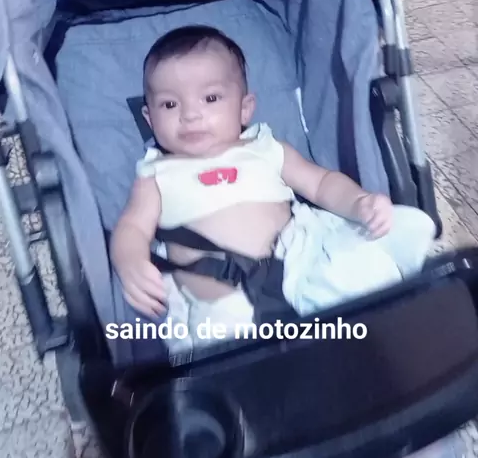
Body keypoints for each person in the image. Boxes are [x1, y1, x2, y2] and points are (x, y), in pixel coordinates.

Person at [110, 25, 435, 343]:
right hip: (224, 302)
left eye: (210, 98)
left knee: (363, 263)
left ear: (244, 109)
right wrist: (130, 261)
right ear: (150, 118)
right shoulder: (156, 174)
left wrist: (358, 202)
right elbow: (132, 227)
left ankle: (372, 322)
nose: (191, 115)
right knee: (221, 351)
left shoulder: (264, 147)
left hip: (301, 263)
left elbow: (321, 184)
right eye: (170, 104)